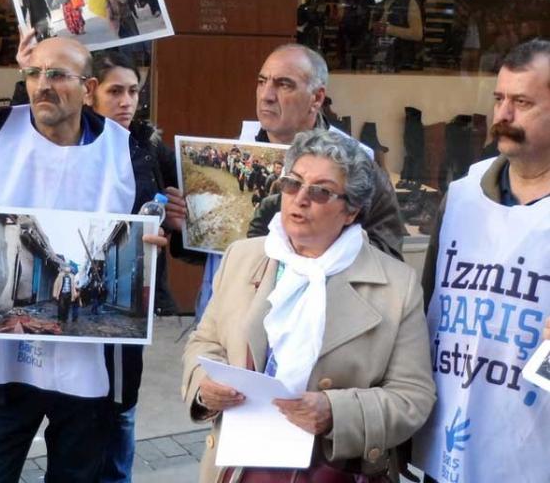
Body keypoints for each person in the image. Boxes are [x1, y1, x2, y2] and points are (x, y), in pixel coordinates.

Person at [0, 35, 167, 483]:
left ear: (87, 87)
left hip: (91, 370)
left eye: (58, 75)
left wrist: (153, 246)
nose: (43, 85)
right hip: (2, 367)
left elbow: (150, 230)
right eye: (35, 73)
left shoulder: (127, 157)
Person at [183, 129, 435, 482]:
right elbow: (204, 342)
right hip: (240, 468)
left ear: (351, 211)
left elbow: (413, 396)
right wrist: (204, 385)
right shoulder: (243, 257)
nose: (300, 199)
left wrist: (336, 412)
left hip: (332, 471)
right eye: (292, 183)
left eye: (320, 191)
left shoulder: (396, 285)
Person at [413, 39, 550, 481]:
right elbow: (427, 297)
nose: (503, 115)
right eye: (499, 99)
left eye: (522, 102)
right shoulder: (463, 194)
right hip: (445, 440)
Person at [85, 50, 184, 482]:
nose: (127, 101)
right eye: (115, 91)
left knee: (122, 406)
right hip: (81, 291)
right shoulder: (74, 146)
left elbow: (173, 225)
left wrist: (176, 223)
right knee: (79, 408)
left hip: (131, 299)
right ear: (91, 93)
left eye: (133, 91)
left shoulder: (150, 148)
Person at [243, 44, 404, 258]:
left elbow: (388, 257)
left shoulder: (356, 165)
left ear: (316, 98)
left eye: (284, 85)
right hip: (239, 286)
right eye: (262, 82)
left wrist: (317, 243)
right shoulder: (236, 147)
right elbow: (211, 252)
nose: (266, 95)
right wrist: (184, 229)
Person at [370, 0, 423, 71]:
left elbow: (417, 34)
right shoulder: (378, 6)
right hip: (379, 62)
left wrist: (388, 29)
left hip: (402, 64)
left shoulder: (410, 3)